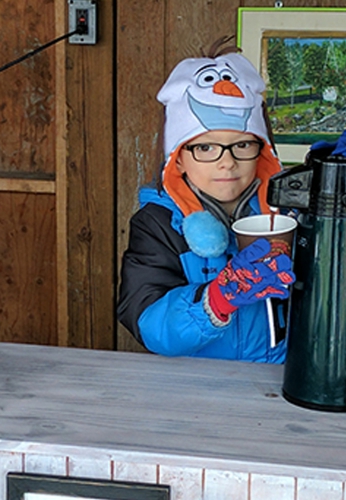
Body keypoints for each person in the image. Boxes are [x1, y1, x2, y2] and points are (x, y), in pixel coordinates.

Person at [117, 41, 294, 363]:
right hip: (199, 383)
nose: (227, 162)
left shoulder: (290, 212)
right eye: (205, 148)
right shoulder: (158, 224)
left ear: (263, 152)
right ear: (178, 159)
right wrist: (215, 300)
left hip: (282, 376)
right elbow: (147, 322)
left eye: (243, 144)